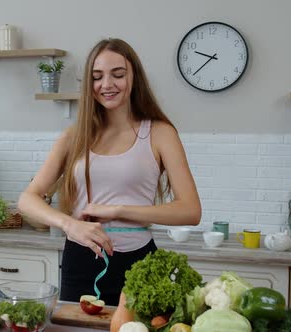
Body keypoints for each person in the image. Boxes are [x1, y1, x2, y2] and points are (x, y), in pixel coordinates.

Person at [18, 38, 201, 306]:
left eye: (118, 74)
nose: (107, 85)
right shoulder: (74, 137)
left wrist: (118, 210)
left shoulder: (160, 134)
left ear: (134, 77)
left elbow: (191, 210)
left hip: (139, 263)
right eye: (97, 77)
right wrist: (71, 225)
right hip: (80, 260)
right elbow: (27, 200)